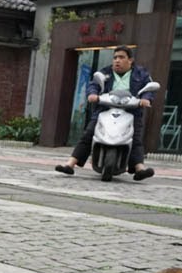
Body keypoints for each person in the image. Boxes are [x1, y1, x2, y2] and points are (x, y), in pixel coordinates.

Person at [55, 45, 156, 181]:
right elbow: (94, 84)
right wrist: (93, 94)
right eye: (115, 58)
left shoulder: (141, 73)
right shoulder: (105, 72)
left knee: (135, 138)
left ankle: (139, 168)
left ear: (130, 60)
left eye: (121, 57)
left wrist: (145, 99)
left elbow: (149, 89)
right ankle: (70, 164)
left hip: (131, 111)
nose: (117, 61)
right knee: (89, 133)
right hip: (105, 109)